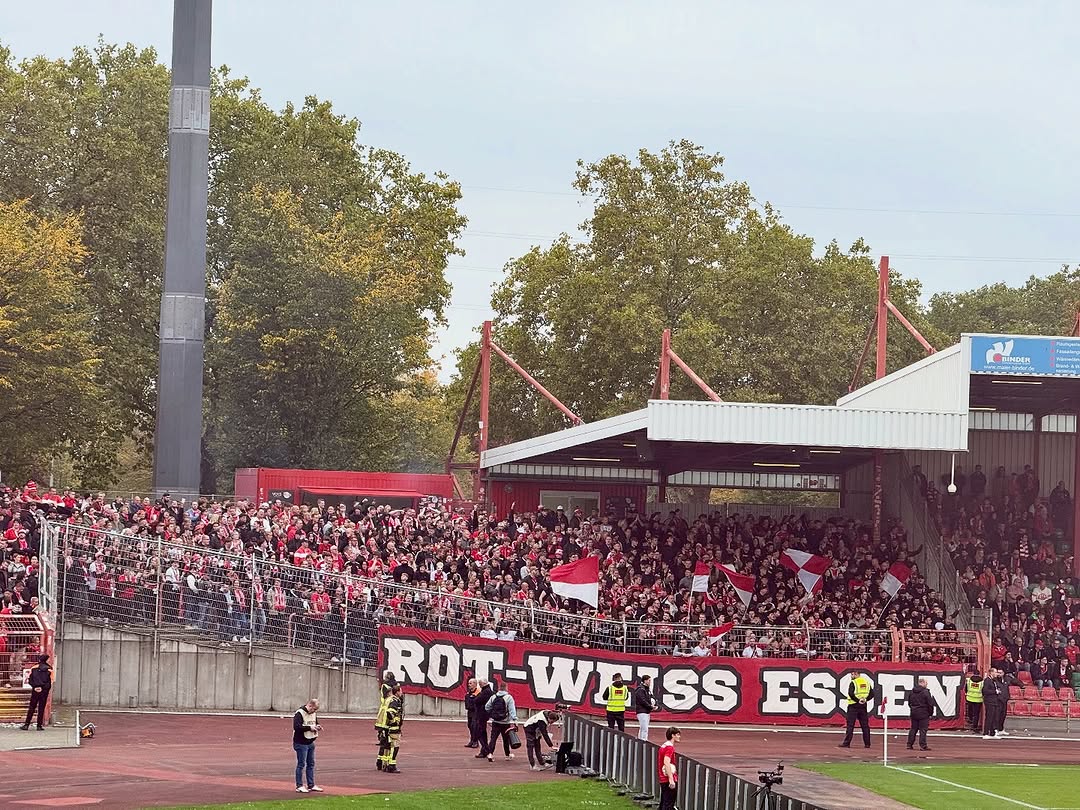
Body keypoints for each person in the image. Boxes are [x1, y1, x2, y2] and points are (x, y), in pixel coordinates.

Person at [292, 698, 324, 793]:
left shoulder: (313, 713)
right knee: (301, 764)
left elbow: (315, 723)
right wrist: (310, 728)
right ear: (310, 705)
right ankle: (299, 786)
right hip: (300, 742)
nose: (314, 711)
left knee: (311, 764)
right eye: (314, 709)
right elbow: (297, 727)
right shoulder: (299, 713)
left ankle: (311, 785)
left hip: (310, 742)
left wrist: (318, 726)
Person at [484, 678, 518, 762]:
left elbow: (487, 707)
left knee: (493, 739)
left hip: (495, 721)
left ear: (499, 688)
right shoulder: (509, 698)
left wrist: (492, 715)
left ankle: (490, 754)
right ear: (506, 688)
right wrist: (514, 720)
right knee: (505, 739)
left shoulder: (493, 697)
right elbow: (512, 710)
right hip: (505, 722)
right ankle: (507, 755)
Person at [838, 670, 872, 748]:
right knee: (865, 726)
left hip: (853, 705)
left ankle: (847, 743)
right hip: (863, 706)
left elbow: (851, 693)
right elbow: (872, 694)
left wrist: (857, 700)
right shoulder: (866, 682)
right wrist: (865, 699)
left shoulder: (853, 682)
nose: (852, 676)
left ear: (857, 674)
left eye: (853, 674)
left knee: (850, 725)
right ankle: (867, 744)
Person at [20, 654, 52, 731]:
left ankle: (26, 724)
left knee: (32, 707)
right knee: (41, 707)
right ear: (47, 660)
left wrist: (35, 687)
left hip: (35, 690)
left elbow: (30, 679)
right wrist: (43, 688)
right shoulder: (49, 669)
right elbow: (50, 681)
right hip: (44, 691)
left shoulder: (33, 668)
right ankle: (39, 726)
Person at [374, 670, 397, 767]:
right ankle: (385, 762)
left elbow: (384, 698)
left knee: (384, 740)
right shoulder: (396, 686)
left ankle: (381, 762)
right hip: (393, 715)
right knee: (390, 741)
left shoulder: (385, 686)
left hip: (384, 715)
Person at [905, 677, 935, 751]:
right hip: (923, 713)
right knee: (923, 730)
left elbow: (909, 702)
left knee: (913, 729)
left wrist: (913, 709)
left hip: (914, 713)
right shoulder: (926, 692)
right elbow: (930, 704)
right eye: (926, 683)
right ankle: (923, 745)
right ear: (922, 683)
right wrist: (930, 713)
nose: (927, 684)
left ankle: (909, 744)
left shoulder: (912, 691)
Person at [381, 684, 405, 774]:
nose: (402, 693)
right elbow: (390, 713)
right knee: (395, 746)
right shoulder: (395, 701)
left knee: (388, 746)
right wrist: (395, 721)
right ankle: (392, 765)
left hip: (391, 727)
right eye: (400, 691)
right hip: (394, 728)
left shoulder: (393, 700)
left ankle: (386, 765)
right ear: (397, 692)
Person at [658, 726, 681, 810]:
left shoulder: (663, 746)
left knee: (663, 803)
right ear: (672, 735)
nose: (679, 737)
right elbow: (666, 762)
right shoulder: (669, 748)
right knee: (669, 804)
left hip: (662, 778)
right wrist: (671, 779)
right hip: (668, 779)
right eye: (677, 734)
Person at [632, 674, 658, 741]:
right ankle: (644, 740)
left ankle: (640, 740)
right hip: (642, 711)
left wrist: (655, 704)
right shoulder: (640, 689)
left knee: (643, 728)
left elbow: (652, 697)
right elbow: (642, 700)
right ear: (645, 681)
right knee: (644, 728)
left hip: (646, 711)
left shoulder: (647, 689)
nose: (650, 682)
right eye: (649, 680)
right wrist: (650, 707)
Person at [473, 678, 494, 758]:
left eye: (480, 683)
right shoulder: (487, 691)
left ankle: (486, 749)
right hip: (483, 714)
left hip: (482, 715)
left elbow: (477, 700)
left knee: (480, 732)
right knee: (481, 732)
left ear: (483, 683)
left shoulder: (486, 692)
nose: (479, 685)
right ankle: (485, 750)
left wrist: (475, 698)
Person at [982, 668, 1004, 739]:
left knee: (993, 717)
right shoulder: (987, 680)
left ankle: (992, 733)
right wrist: (995, 692)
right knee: (989, 717)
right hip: (989, 701)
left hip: (994, 701)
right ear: (991, 672)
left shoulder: (993, 680)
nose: (997, 674)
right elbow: (985, 691)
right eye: (995, 672)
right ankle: (985, 733)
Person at [964, 669, 984, 734]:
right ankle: (974, 726)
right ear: (979, 674)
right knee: (976, 714)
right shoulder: (982, 682)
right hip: (978, 699)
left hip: (970, 698)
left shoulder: (969, 680)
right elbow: (983, 690)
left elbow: (966, 689)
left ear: (973, 673)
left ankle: (970, 720)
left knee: (970, 711)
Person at [464, 677, 481, 748]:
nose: (469, 685)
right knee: (470, 726)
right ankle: (471, 740)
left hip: (476, 712)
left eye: (470, 683)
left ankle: (475, 741)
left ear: (475, 684)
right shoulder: (468, 694)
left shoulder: (478, 693)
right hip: (470, 712)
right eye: (468, 683)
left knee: (475, 726)